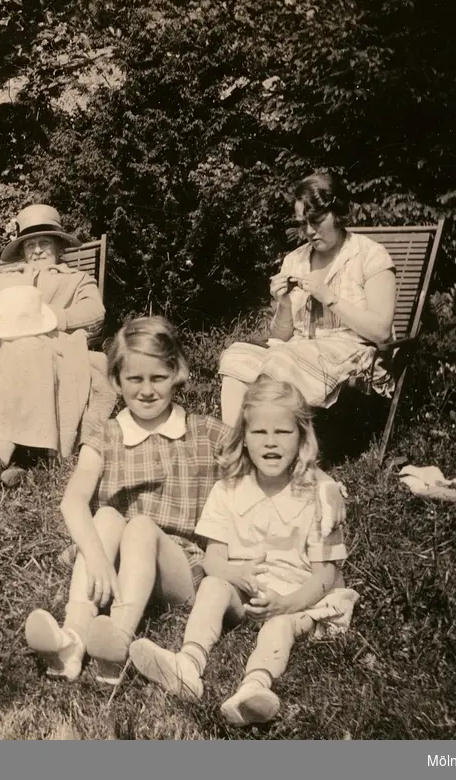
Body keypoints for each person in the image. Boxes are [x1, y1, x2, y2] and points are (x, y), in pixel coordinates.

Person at [128, 375, 360, 727]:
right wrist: (233, 575)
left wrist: (287, 603)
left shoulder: (318, 496)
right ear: (244, 438)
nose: (270, 443)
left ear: (301, 438)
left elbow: (325, 576)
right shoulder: (228, 490)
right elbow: (213, 559)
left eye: (282, 433)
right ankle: (188, 664)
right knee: (212, 585)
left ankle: (254, 688)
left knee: (278, 627)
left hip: (301, 596)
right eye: (259, 433)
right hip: (247, 593)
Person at [22, 317, 224, 685]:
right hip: (117, 565)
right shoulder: (107, 432)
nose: (146, 390)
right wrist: (97, 556)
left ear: (177, 373)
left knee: (141, 527)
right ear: (116, 380)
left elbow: (261, 459)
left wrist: (319, 481)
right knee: (109, 516)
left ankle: (117, 637)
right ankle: (73, 639)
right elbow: (73, 501)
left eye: (158, 378)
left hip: (179, 569)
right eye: (135, 379)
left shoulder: (205, 431)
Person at [0, 204, 115, 484]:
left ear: (58, 247)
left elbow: (95, 313)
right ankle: (16, 458)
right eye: (31, 245)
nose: (38, 251)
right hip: (2, 339)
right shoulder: (8, 279)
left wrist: (50, 318)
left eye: (44, 243)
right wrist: (2, 318)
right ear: (23, 251)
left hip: (52, 342)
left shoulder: (75, 279)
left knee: (27, 352)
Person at [217, 172, 397, 428]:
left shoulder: (370, 256)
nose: (309, 231)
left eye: (316, 220)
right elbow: (280, 337)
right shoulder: (295, 260)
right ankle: (233, 445)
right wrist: (285, 304)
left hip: (351, 354)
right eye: (303, 223)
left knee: (279, 361)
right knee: (236, 356)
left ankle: (265, 446)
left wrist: (330, 297)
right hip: (296, 351)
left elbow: (381, 332)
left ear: (337, 213)